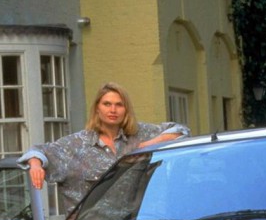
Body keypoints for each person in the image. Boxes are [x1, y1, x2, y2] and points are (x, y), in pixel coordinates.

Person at [18, 82, 190, 212]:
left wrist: (146, 145)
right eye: (107, 104)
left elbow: (181, 131)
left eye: (119, 105)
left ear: (126, 110)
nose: (113, 110)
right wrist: (36, 165)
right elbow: (37, 151)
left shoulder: (140, 134)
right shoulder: (76, 145)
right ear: (97, 109)